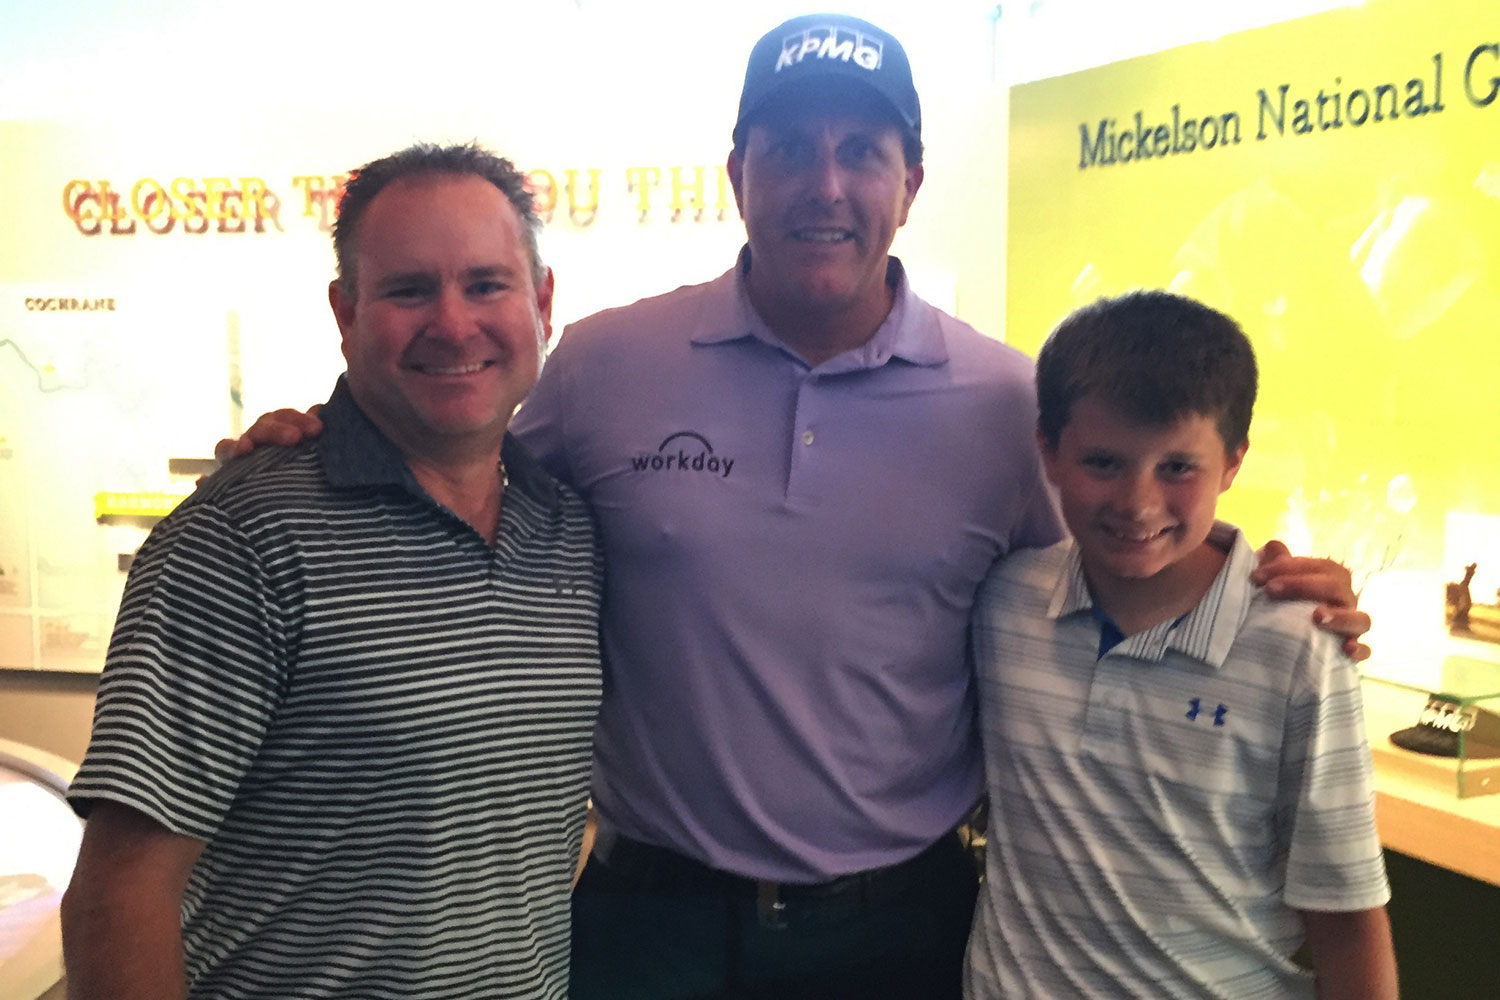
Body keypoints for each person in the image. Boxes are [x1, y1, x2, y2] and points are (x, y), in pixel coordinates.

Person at [218, 15, 1370, 999]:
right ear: (738, 176)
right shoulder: (609, 364)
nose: (826, 184)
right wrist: (324, 437)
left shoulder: (1005, 399)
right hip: (648, 914)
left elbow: (1125, 553)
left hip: (902, 924)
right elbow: (454, 458)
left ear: (909, 181)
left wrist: (1263, 582)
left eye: (861, 151)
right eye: (789, 149)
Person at [61, 143, 603, 1000]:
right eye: (408, 289)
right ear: (345, 312)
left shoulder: (568, 529)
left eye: (487, 285)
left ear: (541, 303)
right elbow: (119, 889)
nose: (454, 323)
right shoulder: (240, 539)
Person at [965, 291, 1396, 1000]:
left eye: (1177, 468)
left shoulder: (1299, 647)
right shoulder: (1004, 604)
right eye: (1104, 463)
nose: (1137, 503)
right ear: (1049, 452)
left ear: (1232, 464)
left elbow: (1347, 915)